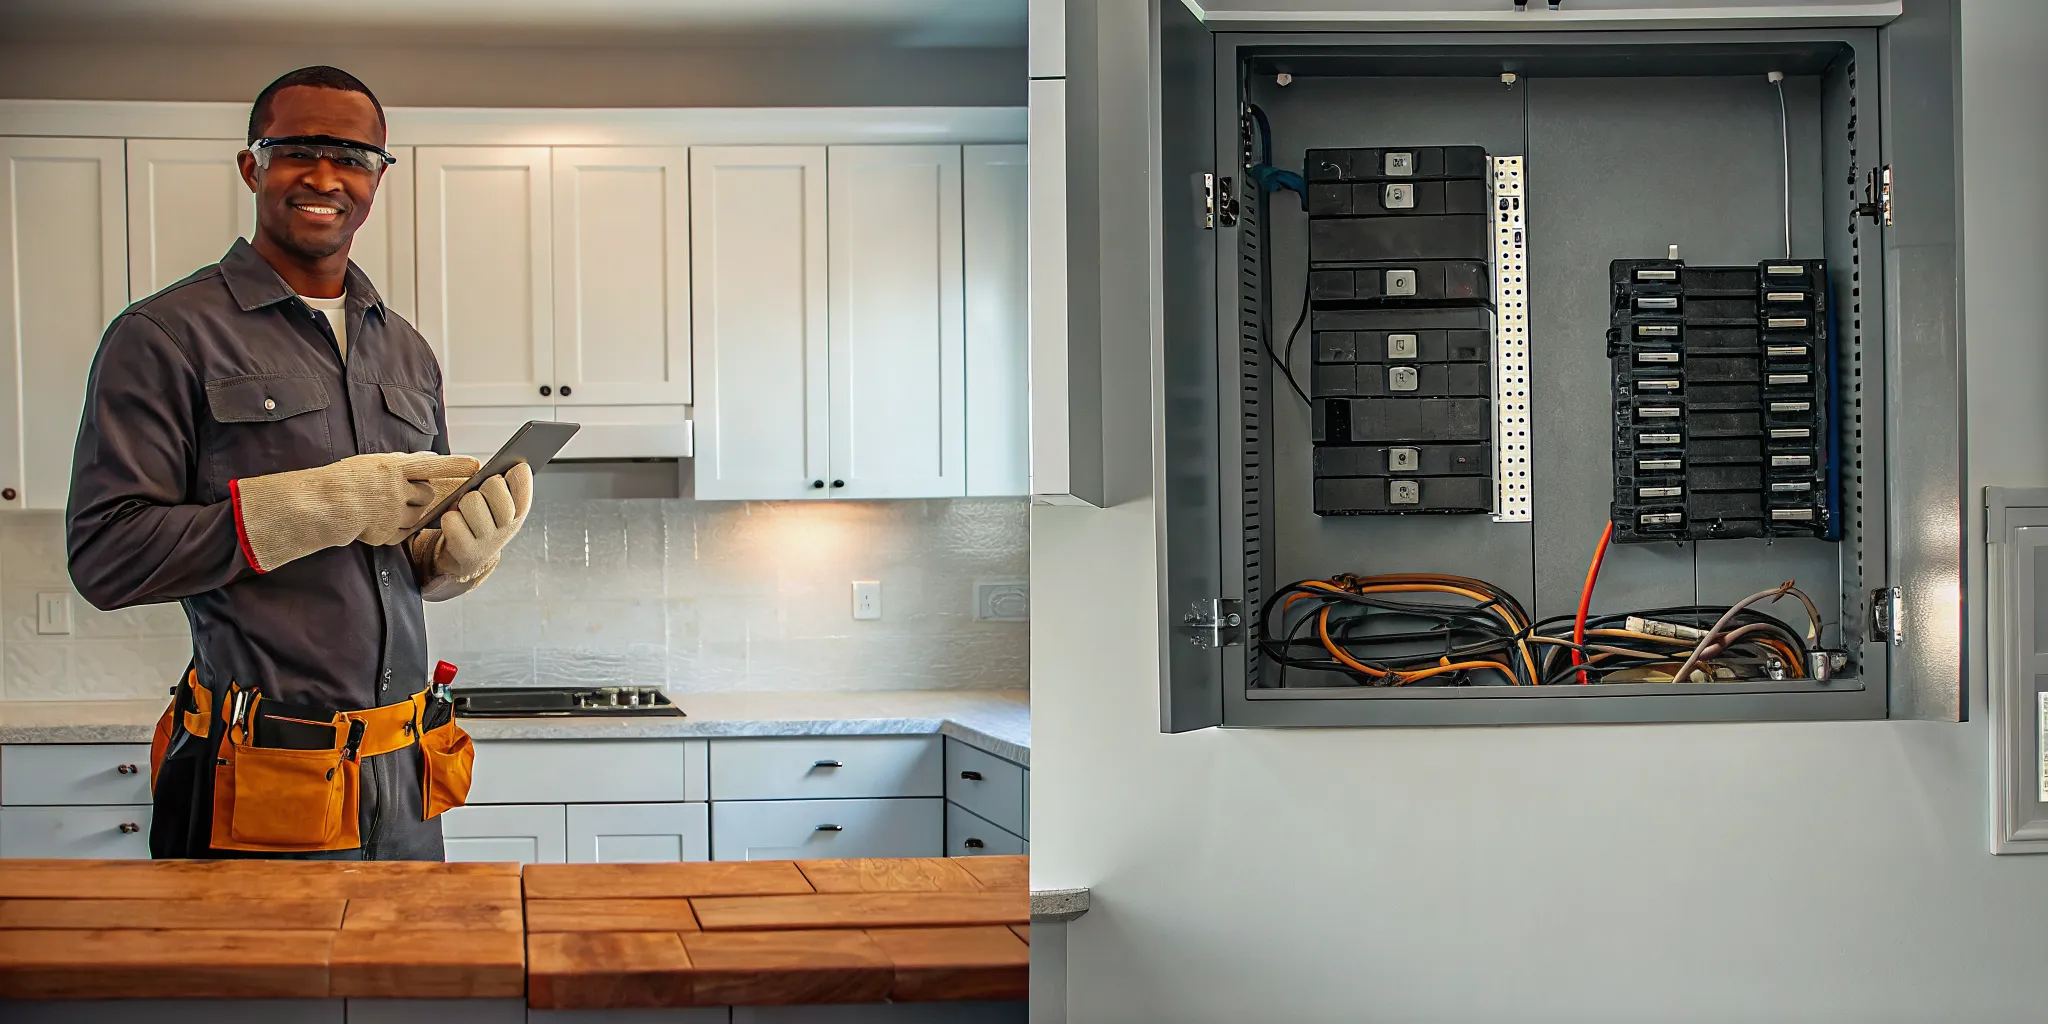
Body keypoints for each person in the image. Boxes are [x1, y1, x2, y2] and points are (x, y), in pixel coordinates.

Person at [66, 66, 527, 860]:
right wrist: (319, 505)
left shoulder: (405, 349)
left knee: (410, 983)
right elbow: (107, 558)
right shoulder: (165, 336)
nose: (325, 177)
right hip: (261, 779)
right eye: (299, 151)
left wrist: (451, 560)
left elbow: (396, 559)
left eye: (352, 156)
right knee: (266, 990)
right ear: (253, 166)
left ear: (379, 177)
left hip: (406, 773)